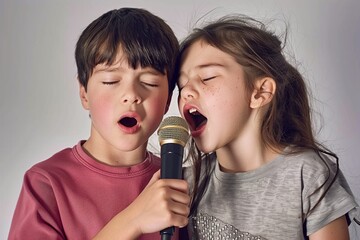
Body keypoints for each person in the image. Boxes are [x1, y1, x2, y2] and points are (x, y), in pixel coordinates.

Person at [9, 8, 190, 240]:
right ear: (84, 93)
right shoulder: (46, 183)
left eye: (149, 82)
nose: (131, 95)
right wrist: (133, 220)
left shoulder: (177, 182)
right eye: (111, 80)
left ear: (167, 101)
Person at [176, 15, 360, 239]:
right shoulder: (187, 182)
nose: (186, 92)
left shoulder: (306, 175)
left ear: (260, 92)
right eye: (181, 84)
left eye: (207, 77)